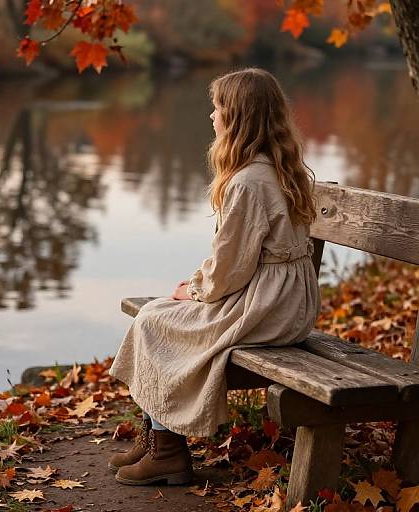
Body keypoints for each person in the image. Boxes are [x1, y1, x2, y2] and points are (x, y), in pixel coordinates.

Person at [107, 67, 321, 486]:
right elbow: (239, 259)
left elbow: (229, 270)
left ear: (237, 118)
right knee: (159, 314)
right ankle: (155, 436)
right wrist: (196, 286)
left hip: (267, 306)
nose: (211, 117)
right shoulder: (277, 169)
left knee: (155, 321)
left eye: (217, 108)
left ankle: (166, 451)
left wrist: (195, 289)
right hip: (288, 301)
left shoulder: (248, 183)